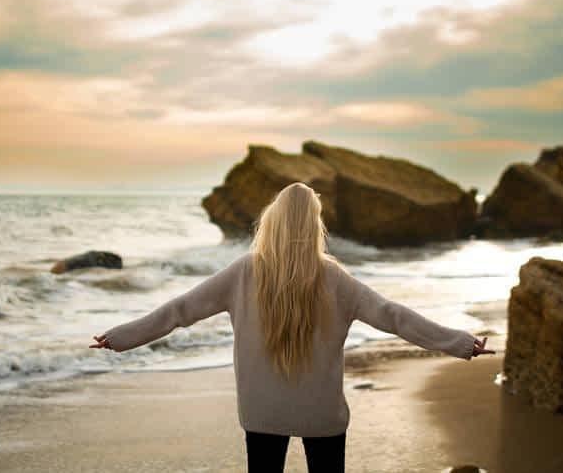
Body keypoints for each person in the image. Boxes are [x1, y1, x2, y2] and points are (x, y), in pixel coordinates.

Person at [89, 182, 494, 472]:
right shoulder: (334, 278)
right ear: (313, 225)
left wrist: (121, 337)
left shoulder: (245, 271)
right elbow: (393, 316)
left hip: (262, 411)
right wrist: (460, 342)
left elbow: (180, 310)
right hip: (323, 415)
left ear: (275, 220)